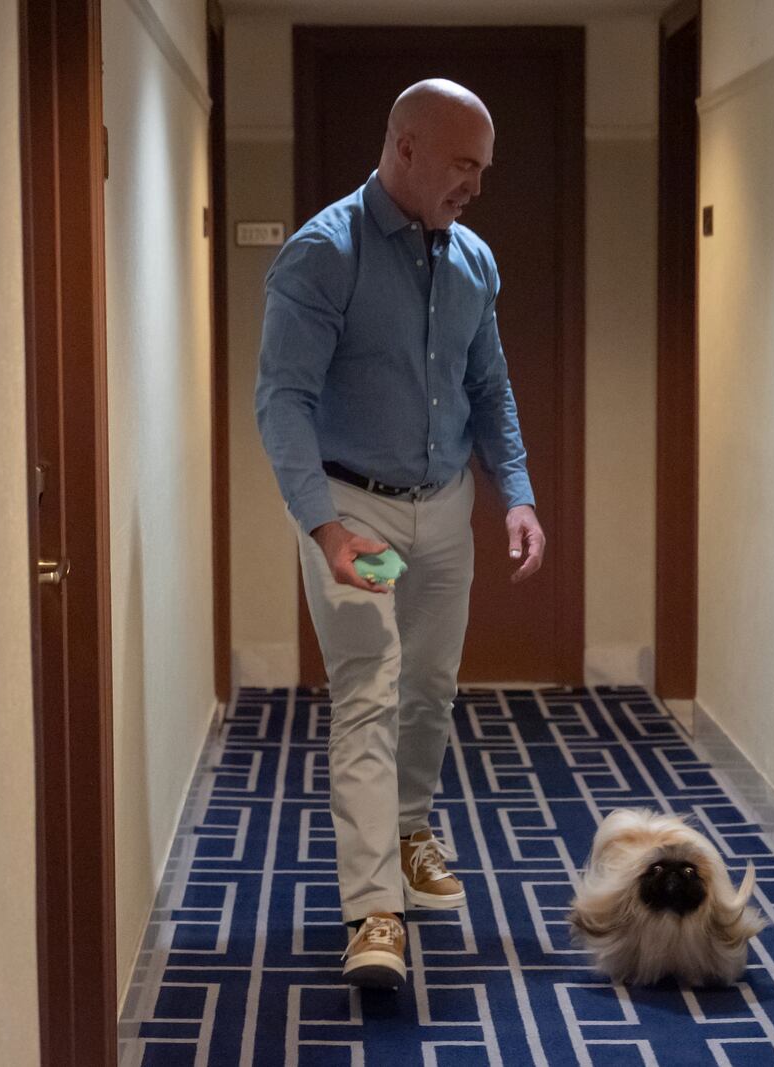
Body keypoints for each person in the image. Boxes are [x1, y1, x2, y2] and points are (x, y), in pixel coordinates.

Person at [253, 78, 545, 990]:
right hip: (353, 509)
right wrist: (324, 527)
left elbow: (488, 388)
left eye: (484, 169)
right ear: (405, 147)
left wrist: (518, 494)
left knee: (429, 686)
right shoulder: (321, 255)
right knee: (368, 691)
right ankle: (373, 907)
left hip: (446, 503)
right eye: (464, 165)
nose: (477, 187)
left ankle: (412, 824)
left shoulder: (474, 261)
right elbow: (282, 401)